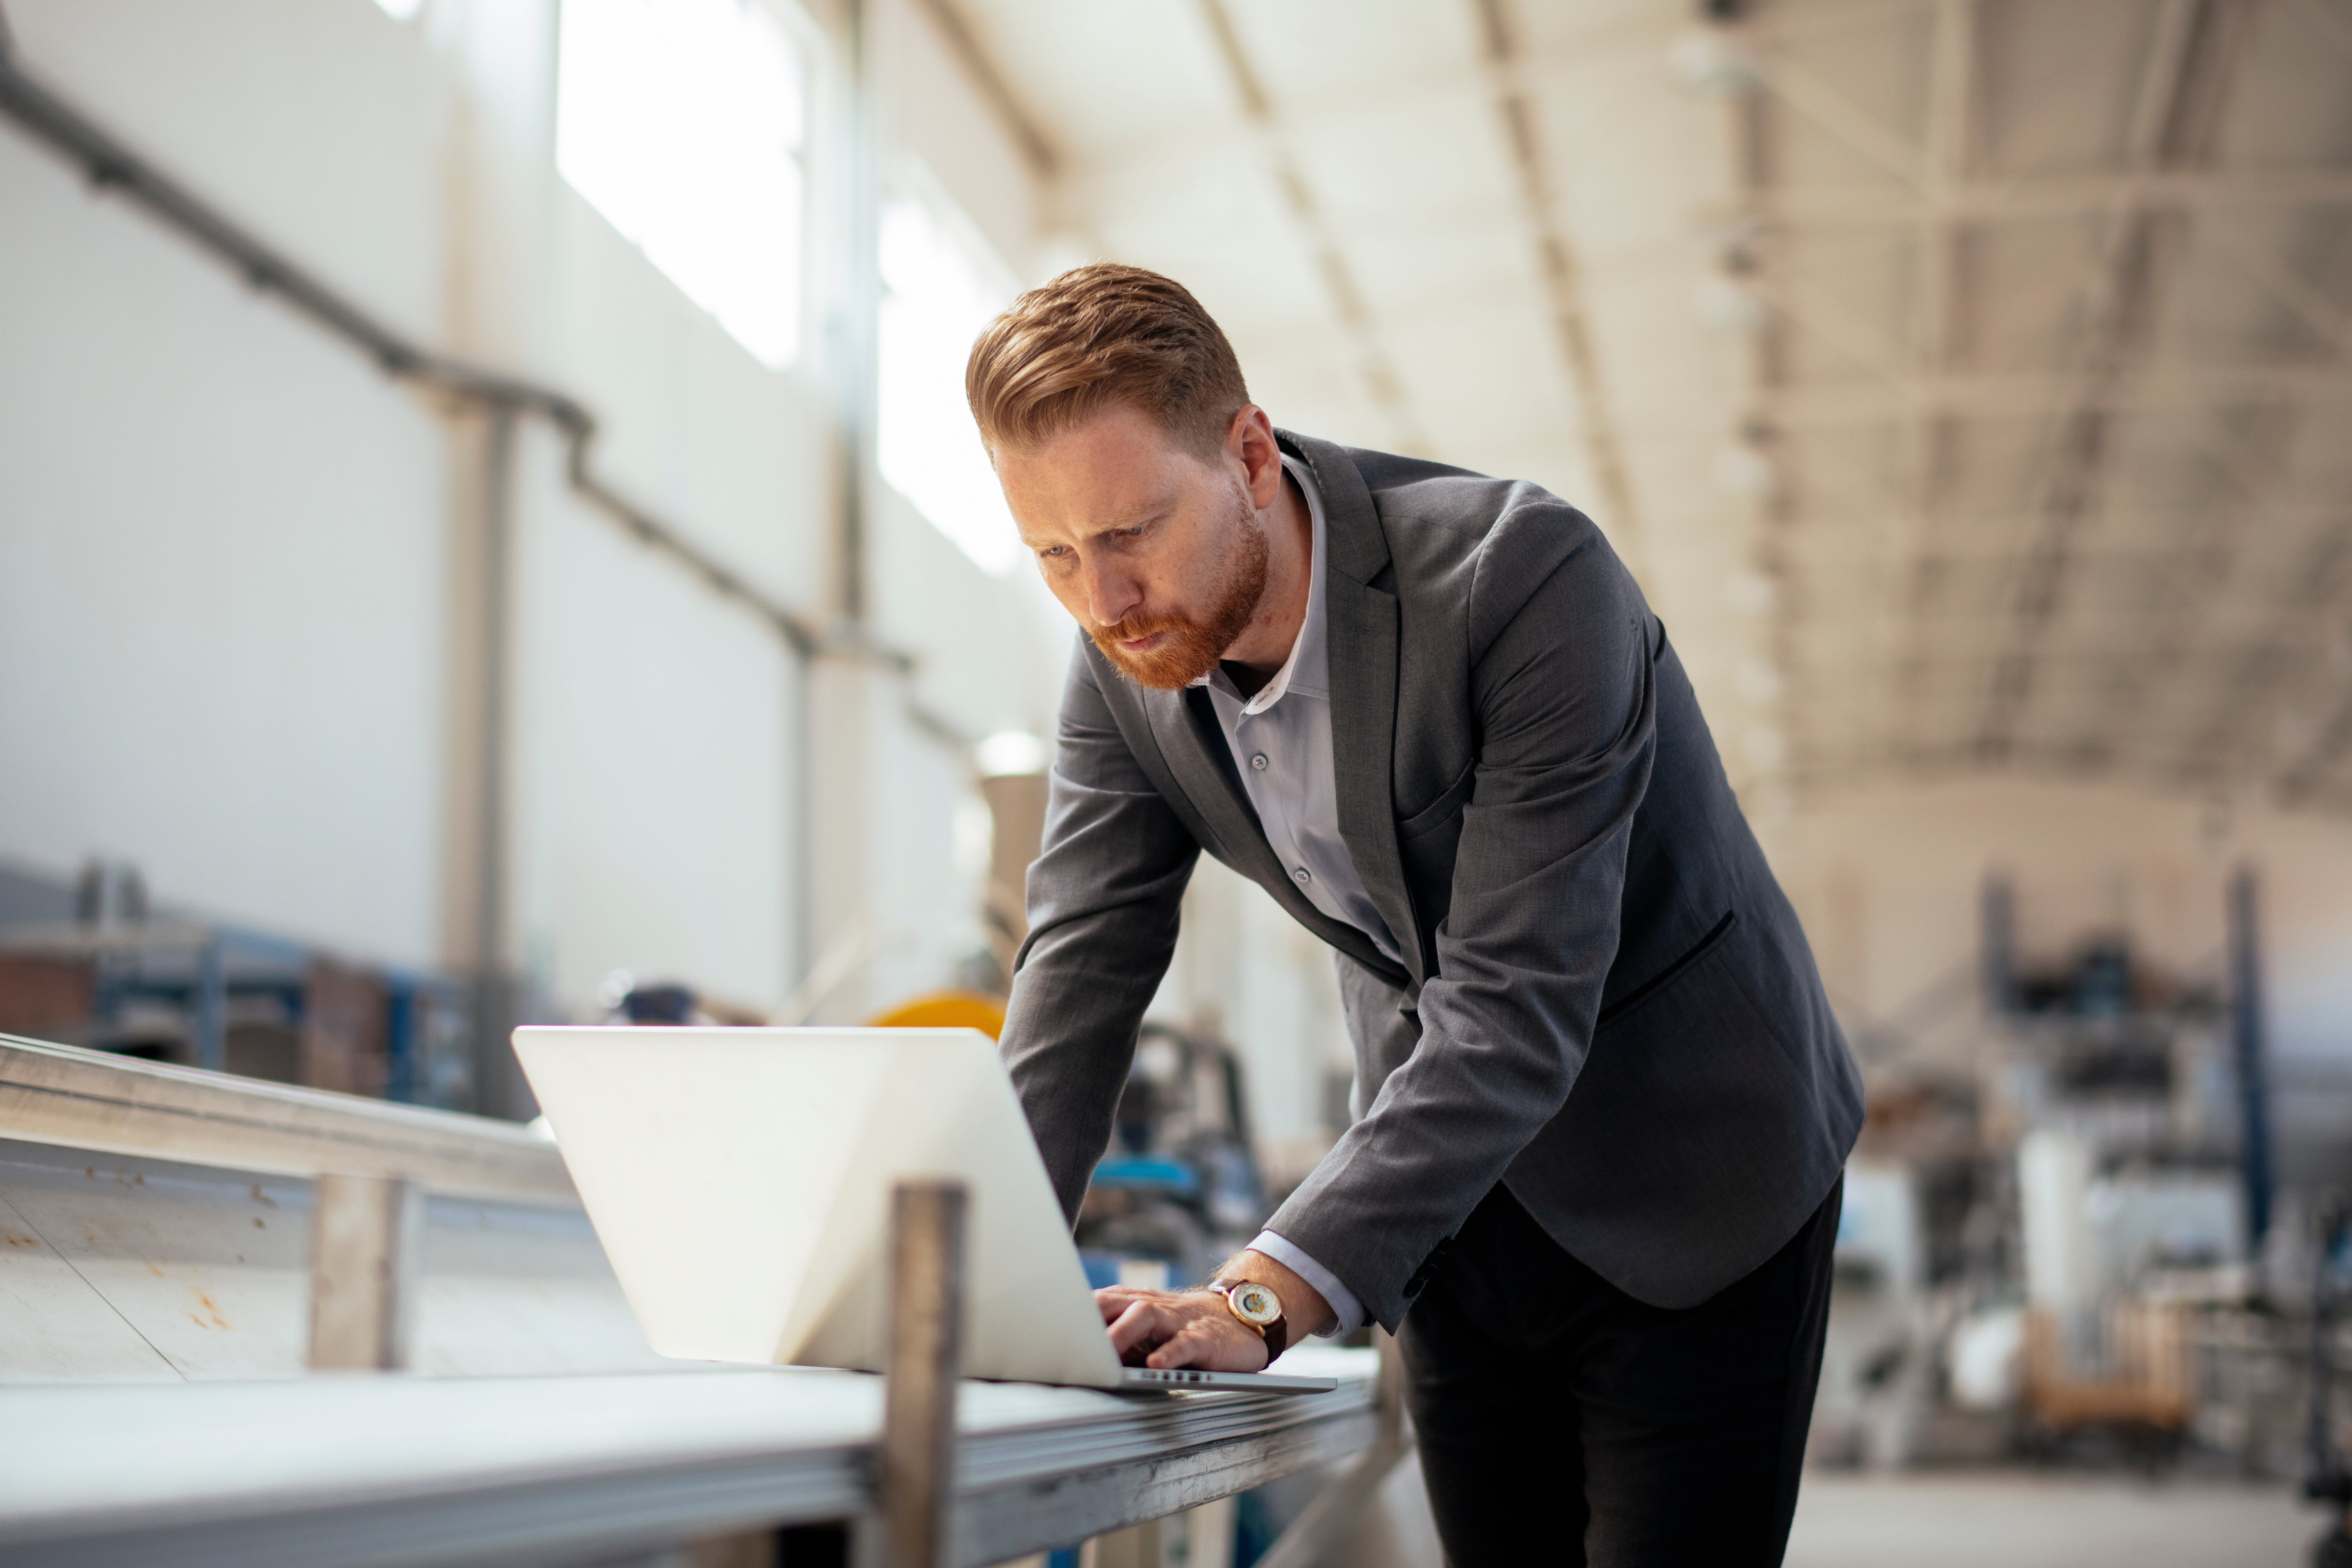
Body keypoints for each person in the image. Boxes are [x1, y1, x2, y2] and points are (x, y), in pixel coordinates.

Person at [974, 263, 1863, 1567]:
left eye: (1132, 532)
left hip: (1691, 1180)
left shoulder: (1525, 581)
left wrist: (1257, 1297)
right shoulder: (1122, 670)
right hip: (1448, 1206)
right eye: (1054, 554)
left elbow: (1515, 1006)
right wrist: (975, 1278)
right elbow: (1079, 966)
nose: (1103, 600)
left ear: (1251, 454)